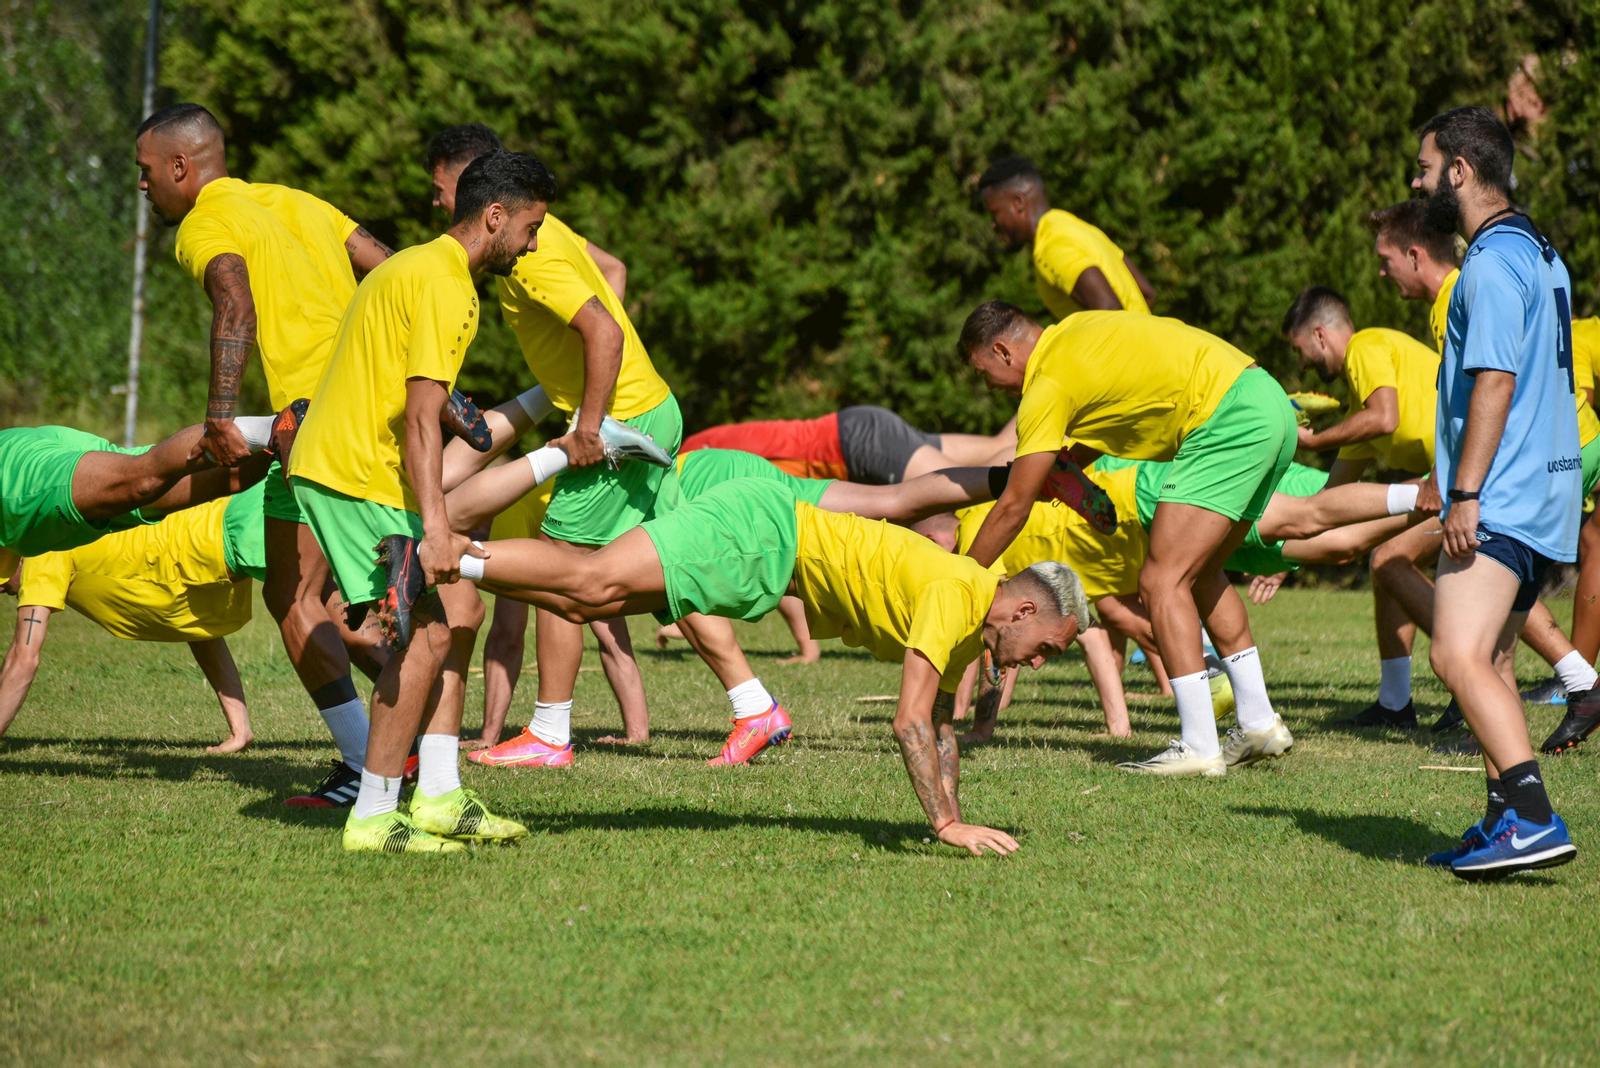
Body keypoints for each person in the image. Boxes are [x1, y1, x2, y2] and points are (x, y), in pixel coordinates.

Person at [459, 476, 1087, 855]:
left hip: (765, 555)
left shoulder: (971, 618)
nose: (1036, 664)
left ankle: (456, 563)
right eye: (1046, 649)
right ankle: (448, 555)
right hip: (759, 530)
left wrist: (955, 813)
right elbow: (910, 723)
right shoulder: (958, 595)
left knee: (588, 599)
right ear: (1024, 609)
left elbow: (942, 727)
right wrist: (947, 825)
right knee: (594, 585)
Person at [427, 126, 786, 771]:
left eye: (441, 187)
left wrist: (589, 419)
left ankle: (548, 734)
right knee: (667, 563)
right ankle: (754, 704)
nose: (436, 202)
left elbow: (602, 329)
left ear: (481, 188)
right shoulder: (544, 229)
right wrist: (573, 378)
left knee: (560, 565)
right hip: (650, 408)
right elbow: (613, 275)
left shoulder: (527, 252)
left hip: (621, 424)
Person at [135, 101, 400, 803]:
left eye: (146, 172)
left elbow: (236, 307)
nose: (143, 186)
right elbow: (394, 271)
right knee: (317, 591)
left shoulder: (204, 223)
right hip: (377, 411)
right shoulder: (298, 202)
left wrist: (222, 414)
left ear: (181, 167)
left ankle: (381, 766)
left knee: (309, 596)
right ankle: (392, 760)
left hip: (313, 428)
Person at [287, 150, 551, 853]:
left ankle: (437, 796)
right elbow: (418, 417)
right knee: (427, 631)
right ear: (494, 216)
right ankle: (374, 814)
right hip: (353, 473)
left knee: (457, 612)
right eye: (529, 228)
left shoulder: (417, 267)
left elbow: (432, 413)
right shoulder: (445, 286)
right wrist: (436, 527)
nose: (530, 245)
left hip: (362, 471)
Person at [960, 301, 1297, 777]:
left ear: (1002, 350)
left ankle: (1199, 745)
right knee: (1197, 574)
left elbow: (1015, 504)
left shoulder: (1044, 383)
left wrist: (959, 576)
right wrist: (1073, 463)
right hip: (1268, 401)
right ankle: (1259, 721)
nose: (989, 385)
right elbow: (1124, 400)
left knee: (1161, 581)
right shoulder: (1076, 331)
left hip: (1224, 416)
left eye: (984, 372)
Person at [953, 457, 1431, 746]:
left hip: (1145, 503)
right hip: (1152, 537)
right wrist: (983, 728)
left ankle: (1438, 486)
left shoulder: (980, 535)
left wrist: (966, 722)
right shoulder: (1036, 592)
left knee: (1308, 514)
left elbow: (993, 642)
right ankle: (1435, 495)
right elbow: (1014, 644)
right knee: (1335, 545)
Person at [1412, 105, 1584, 879]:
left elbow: (1496, 379)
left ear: (1459, 171)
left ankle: (1534, 815)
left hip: (1503, 491)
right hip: (1550, 488)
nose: (1416, 181)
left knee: (1454, 653)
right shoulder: (1541, 249)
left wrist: (1465, 493)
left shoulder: (1487, 261)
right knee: (1495, 659)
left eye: (1424, 168)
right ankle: (1499, 822)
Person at [0, 486, 271, 752]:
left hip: (229, 533)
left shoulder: (39, 548)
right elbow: (198, 629)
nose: (2, 589)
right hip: (226, 522)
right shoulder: (59, 524)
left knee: (305, 603)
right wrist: (240, 729)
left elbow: (23, 659)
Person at [1281, 286, 1444, 727]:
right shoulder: (1361, 404)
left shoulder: (1364, 346)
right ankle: (1395, 705)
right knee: (1390, 565)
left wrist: (1314, 440)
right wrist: (1283, 555)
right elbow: (1326, 504)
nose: (1303, 365)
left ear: (1320, 335)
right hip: (1455, 478)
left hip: (1473, 474)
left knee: (1389, 560)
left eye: (1300, 351)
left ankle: (1476, 669)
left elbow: (1384, 417)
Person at [977, 156, 1156, 316]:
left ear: (1018, 203)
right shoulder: (1080, 228)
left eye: (994, 213)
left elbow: (1109, 309)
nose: (993, 225)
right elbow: (1147, 294)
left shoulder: (1051, 244)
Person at [680, 406, 1018, 484]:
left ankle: (1042, 465)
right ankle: (1059, 407)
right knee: (999, 446)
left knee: (974, 484)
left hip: (857, 445)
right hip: (860, 429)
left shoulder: (693, 461)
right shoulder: (696, 445)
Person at [1370, 198, 1461, 353]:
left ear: (1414, 257)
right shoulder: (1459, 293)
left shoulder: (1451, 306)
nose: (1382, 272)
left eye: (1385, 259)